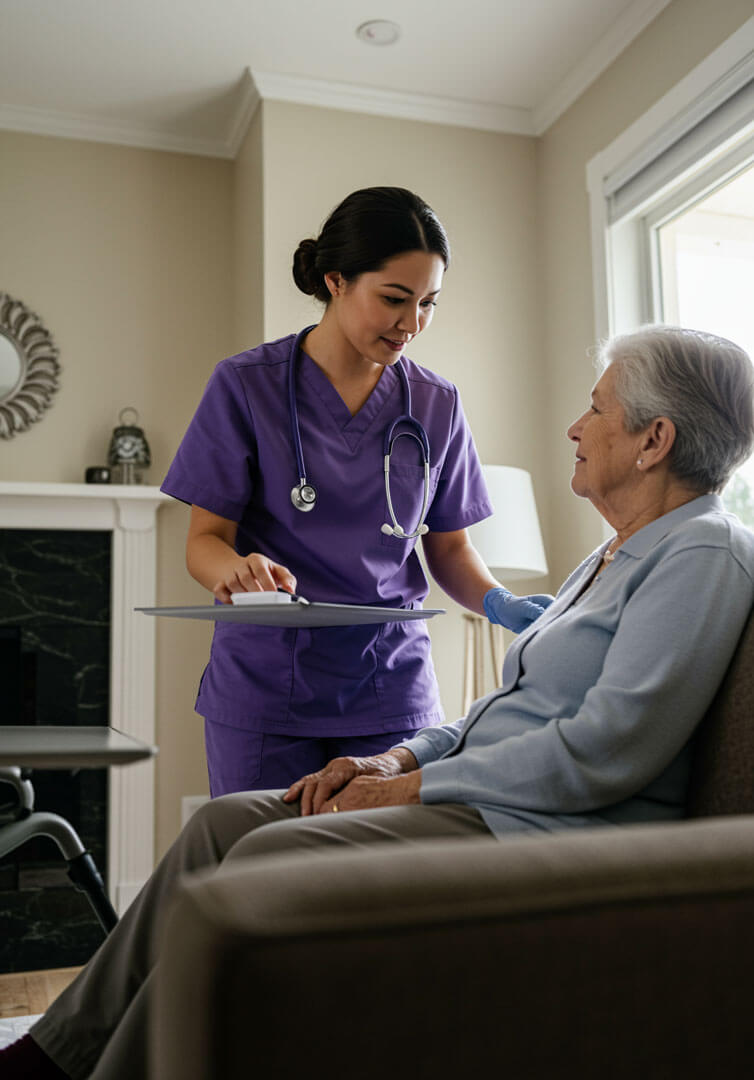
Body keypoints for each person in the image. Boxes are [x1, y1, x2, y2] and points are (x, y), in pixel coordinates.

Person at [5, 324, 754, 1080]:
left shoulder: (703, 552)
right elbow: (501, 712)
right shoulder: (615, 550)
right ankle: (51, 1058)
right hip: (488, 796)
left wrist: (412, 785)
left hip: (540, 830)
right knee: (222, 825)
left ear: (654, 438)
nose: (574, 427)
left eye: (596, 409)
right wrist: (393, 755)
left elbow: (604, 750)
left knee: (264, 859)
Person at [158, 185, 541, 797]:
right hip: (267, 685)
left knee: (379, 880)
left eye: (428, 304)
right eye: (394, 298)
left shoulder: (436, 404)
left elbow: (448, 549)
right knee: (263, 873)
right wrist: (237, 571)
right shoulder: (244, 386)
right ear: (336, 281)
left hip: (389, 686)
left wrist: (500, 604)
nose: (411, 324)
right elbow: (205, 542)